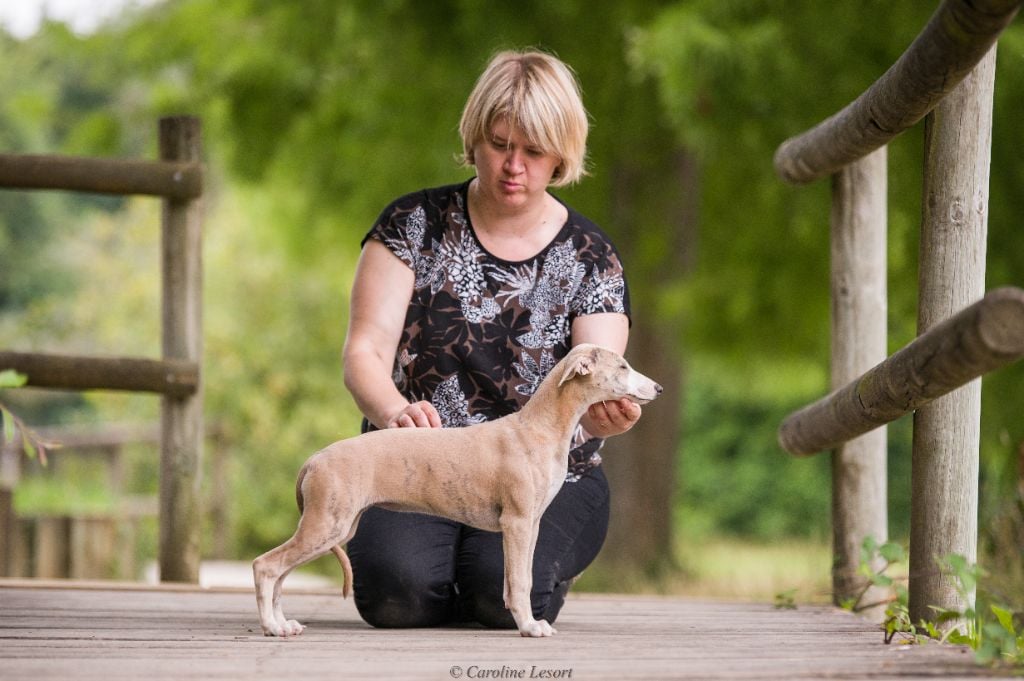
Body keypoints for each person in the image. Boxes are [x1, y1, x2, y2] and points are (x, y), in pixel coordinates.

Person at [342, 49, 639, 630]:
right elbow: (364, 351)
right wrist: (393, 409)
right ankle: (445, 569)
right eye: (501, 143)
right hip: (416, 463)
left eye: (534, 151)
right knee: (395, 596)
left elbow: (602, 372)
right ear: (474, 137)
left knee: (497, 601)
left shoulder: (592, 258)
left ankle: (500, 574)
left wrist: (601, 417)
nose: (514, 165)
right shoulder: (410, 225)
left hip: (547, 474)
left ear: (562, 156)